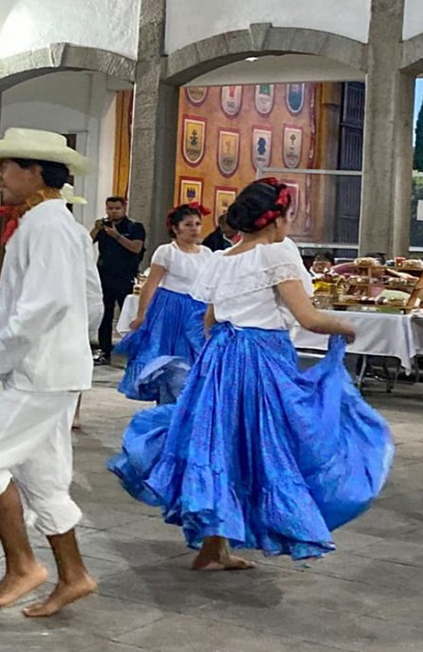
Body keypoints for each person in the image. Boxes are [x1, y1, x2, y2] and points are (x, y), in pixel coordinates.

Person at [108, 179, 394, 570]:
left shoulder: (221, 259)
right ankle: (245, 535)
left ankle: (214, 545)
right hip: (260, 357)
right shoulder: (275, 255)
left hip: (220, 357)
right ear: (275, 219)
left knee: (221, 442)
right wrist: (345, 328)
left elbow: (208, 319)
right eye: (289, 215)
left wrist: (219, 351)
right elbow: (306, 316)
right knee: (266, 443)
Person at [0, 129, 103, 618]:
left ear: (35, 169)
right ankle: (73, 574)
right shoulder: (57, 224)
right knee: (43, 478)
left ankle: (23, 565)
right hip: (51, 368)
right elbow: (91, 302)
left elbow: (48, 304)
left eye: (6, 166)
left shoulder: (47, 225)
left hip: (40, 370)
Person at [116, 203, 213, 402]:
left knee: (195, 357)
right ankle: (166, 401)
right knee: (168, 356)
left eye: (197, 224)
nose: (194, 228)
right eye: (188, 225)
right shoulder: (166, 251)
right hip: (170, 309)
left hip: (197, 310)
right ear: (176, 228)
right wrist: (142, 314)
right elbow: (150, 284)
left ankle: (188, 402)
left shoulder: (207, 254)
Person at [91, 196, 145, 365]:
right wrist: (95, 229)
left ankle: (132, 351)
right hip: (104, 275)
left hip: (125, 275)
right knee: (105, 316)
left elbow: (136, 248)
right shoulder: (103, 227)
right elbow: (86, 242)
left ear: (124, 208)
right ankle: (104, 351)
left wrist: (117, 236)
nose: (113, 212)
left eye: (117, 208)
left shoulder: (135, 227)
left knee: (127, 313)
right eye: (110, 208)